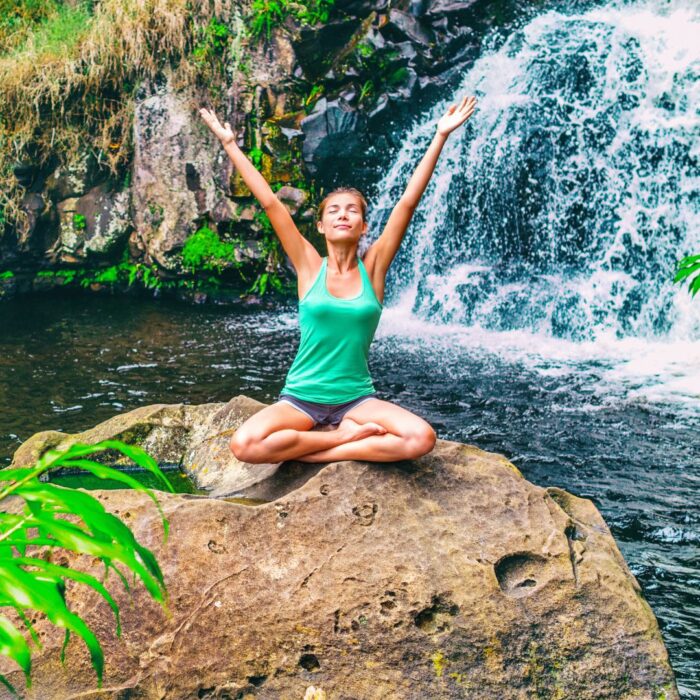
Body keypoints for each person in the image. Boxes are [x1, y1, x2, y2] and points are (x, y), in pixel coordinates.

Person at [199, 95, 477, 465]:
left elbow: (407, 203)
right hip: (300, 399)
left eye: (352, 211)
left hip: (357, 401)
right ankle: (341, 438)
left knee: (421, 438)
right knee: (245, 445)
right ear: (320, 225)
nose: (343, 215)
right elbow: (271, 203)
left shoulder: (373, 268)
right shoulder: (308, 265)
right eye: (333, 211)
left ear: (364, 226)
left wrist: (440, 136)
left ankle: (322, 448)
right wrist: (230, 144)